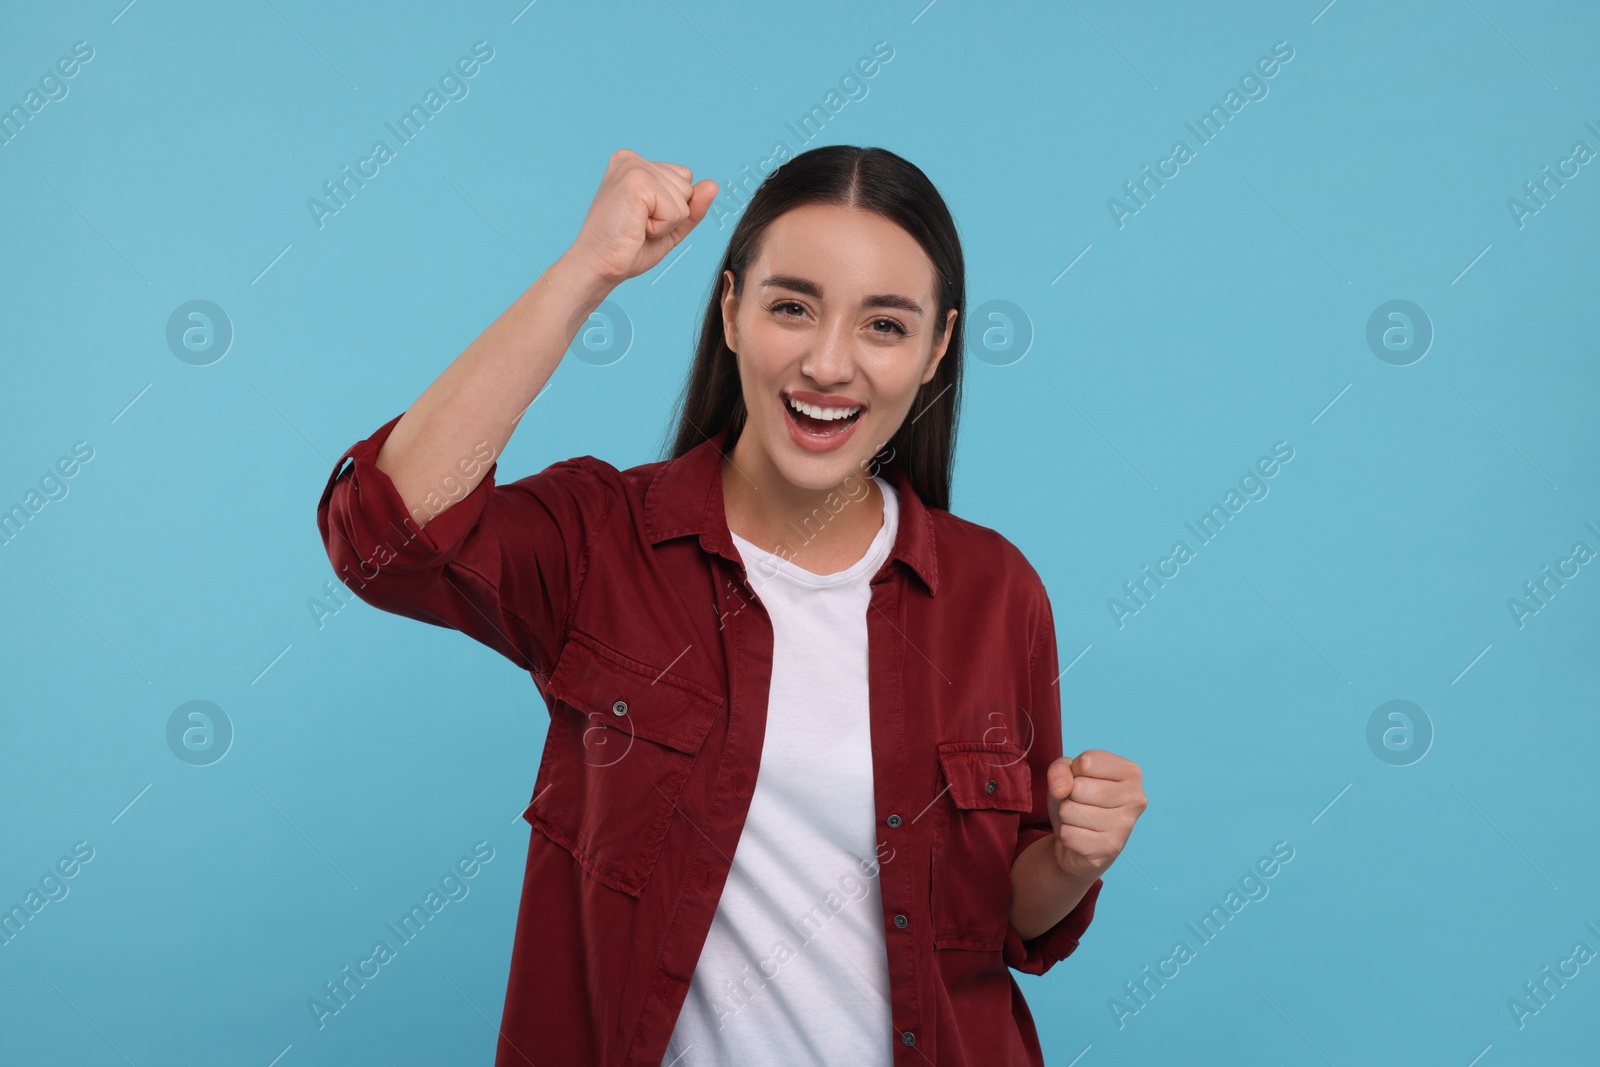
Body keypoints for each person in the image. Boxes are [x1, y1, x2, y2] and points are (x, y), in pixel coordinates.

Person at [316, 145, 1147, 1066]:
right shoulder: (606, 543)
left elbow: (1002, 922)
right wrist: (585, 270)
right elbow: (389, 536)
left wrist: (1072, 861)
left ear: (937, 348)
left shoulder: (995, 592)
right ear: (730, 312)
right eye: (792, 307)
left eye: (884, 325)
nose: (829, 363)